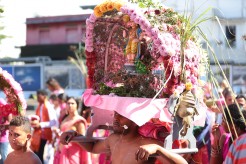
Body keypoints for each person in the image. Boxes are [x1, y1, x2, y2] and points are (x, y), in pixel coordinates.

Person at [60, 111, 187, 164]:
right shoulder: (114, 139)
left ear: (135, 120)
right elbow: (93, 147)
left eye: (121, 116)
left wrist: (158, 149)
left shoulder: (149, 144)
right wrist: (75, 136)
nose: (115, 119)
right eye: (115, 115)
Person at [54, 97, 91, 164]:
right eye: (68, 103)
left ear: (77, 105)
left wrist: (70, 139)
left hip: (73, 152)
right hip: (61, 150)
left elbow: (83, 139)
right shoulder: (64, 119)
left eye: (72, 103)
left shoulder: (79, 121)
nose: (70, 105)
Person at [30, 89, 58, 163]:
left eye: (39, 97)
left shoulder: (48, 106)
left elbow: (53, 122)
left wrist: (40, 125)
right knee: (37, 153)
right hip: (39, 134)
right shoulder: (40, 106)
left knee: (39, 154)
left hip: (45, 134)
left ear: (44, 96)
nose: (37, 99)